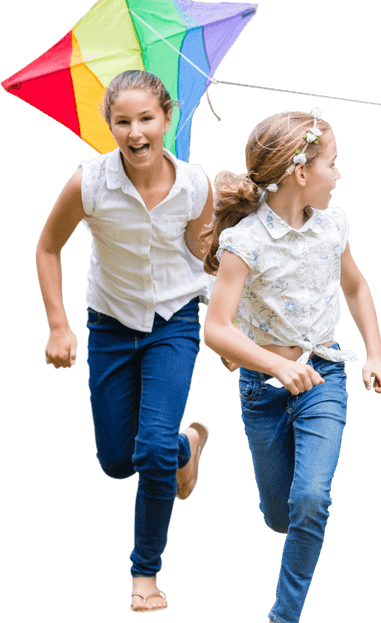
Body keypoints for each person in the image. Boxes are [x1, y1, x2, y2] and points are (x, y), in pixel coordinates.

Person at [201, 109, 381, 623]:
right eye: (333, 163)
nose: (339, 174)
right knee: (281, 515)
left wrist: (375, 354)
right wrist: (276, 367)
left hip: (324, 377)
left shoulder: (332, 226)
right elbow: (216, 329)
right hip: (261, 391)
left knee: (311, 499)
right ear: (301, 172)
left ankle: (283, 615)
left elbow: (356, 287)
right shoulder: (245, 241)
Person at [35, 70, 214, 613]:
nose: (136, 132)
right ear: (108, 125)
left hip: (174, 322)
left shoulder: (195, 184)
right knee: (118, 460)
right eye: (122, 121)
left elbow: (203, 254)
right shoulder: (89, 182)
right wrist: (59, 325)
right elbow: (47, 248)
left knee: (150, 449)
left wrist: (229, 216)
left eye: (146, 119)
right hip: (111, 324)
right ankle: (187, 444)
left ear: (168, 118)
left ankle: (145, 575)